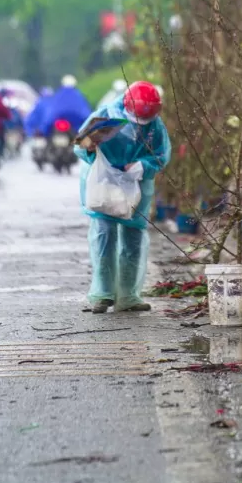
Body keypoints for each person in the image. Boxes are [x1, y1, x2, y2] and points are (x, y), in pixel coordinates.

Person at [76, 81, 170, 313]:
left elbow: (161, 155)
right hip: (104, 182)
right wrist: (90, 147)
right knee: (104, 235)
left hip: (136, 186)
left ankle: (128, 295)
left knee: (133, 238)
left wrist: (142, 166)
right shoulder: (106, 116)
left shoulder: (155, 126)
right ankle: (103, 294)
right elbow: (80, 146)